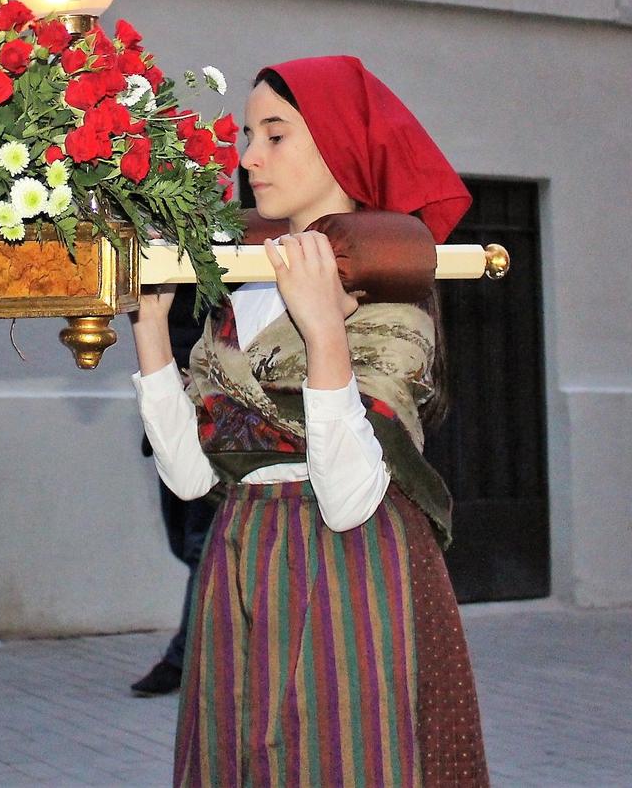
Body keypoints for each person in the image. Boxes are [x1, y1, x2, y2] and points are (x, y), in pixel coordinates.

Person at [131, 55, 489, 786]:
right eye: (245, 134)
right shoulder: (246, 281)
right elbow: (193, 476)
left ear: (337, 144)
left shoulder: (388, 297)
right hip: (244, 553)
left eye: (275, 134)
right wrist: (150, 332)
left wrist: (326, 335)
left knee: (343, 756)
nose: (248, 156)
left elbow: (352, 497)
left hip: (351, 569)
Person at [130, 287, 216, 698]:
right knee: (184, 542)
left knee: (201, 545)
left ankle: (184, 658)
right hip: (173, 387)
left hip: (209, 399)